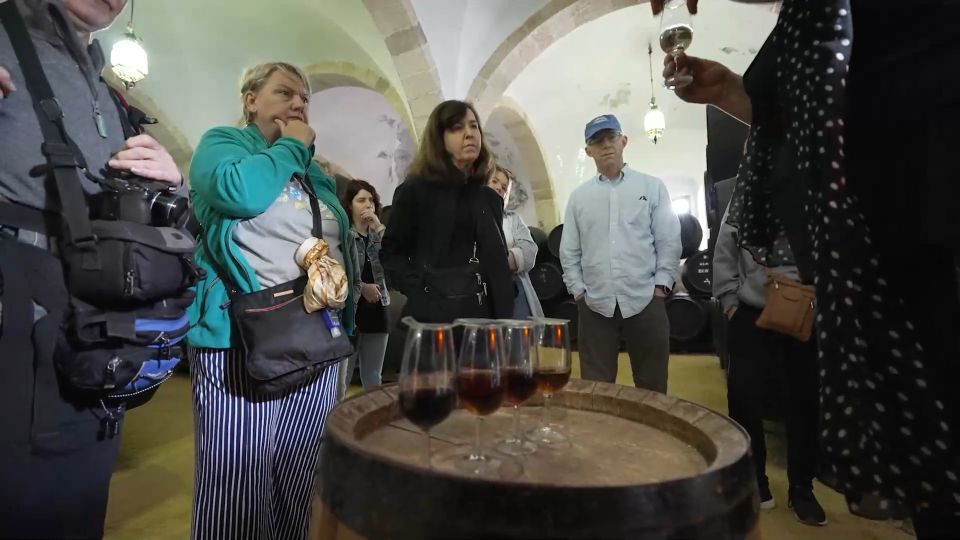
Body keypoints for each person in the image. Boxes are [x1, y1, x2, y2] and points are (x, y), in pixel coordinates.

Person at [659, 0, 960, 535]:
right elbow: (833, 118)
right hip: (888, 282)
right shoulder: (814, 17)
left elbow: (882, 109)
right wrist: (733, 91)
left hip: (924, 259)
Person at [0, 1, 184, 537]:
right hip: (19, 317)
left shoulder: (105, 86)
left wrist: (173, 187)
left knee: (76, 504)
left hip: (93, 326)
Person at [187, 61, 356, 539]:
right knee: (237, 485)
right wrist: (291, 145)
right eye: (284, 93)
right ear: (251, 99)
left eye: (304, 97)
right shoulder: (223, 145)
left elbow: (336, 240)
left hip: (316, 334)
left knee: (303, 479)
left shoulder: (312, 172)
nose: (298, 103)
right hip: (243, 337)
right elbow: (239, 194)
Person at [713, 203, 825, 526]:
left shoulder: (811, 188)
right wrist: (731, 302)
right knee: (745, 397)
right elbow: (725, 248)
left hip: (804, 306)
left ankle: (802, 488)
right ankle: (755, 481)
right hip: (752, 310)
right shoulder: (746, 195)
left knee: (803, 401)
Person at [558, 114, 681, 393]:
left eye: (611, 138)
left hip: (645, 298)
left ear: (623, 141)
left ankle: (652, 436)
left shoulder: (652, 188)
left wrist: (662, 285)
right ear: (588, 151)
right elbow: (569, 250)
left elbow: (668, 239)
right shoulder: (579, 198)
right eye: (597, 141)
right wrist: (578, 291)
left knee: (652, 385)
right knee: (596, 387)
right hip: (595, 304)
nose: (606, 146)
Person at [380, 100, 512, 325]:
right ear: (439, 138)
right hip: (432, 321)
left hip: (484, 322)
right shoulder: (415, 190)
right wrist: (421, 289)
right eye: (457, 128)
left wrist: (505, 325)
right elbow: (392, 254)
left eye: (473, 126)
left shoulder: (489, 198)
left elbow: (497, 268)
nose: (469, 134)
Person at [338, 179, 390, 396]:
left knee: (373, 376)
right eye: (361, 200)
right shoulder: (345, 234)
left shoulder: (378, 235)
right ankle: (335, 423)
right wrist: (363, 287)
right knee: (343, 377)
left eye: (371, 200)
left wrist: (378, 226)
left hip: (378, 309)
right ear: (350, 205)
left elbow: (395, 256)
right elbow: (338, 273)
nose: (367, 205)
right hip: (352, 310)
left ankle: (374, 421)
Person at [486, 164, 544, 319]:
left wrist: (504, 261)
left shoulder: (512, 219)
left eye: (504, 187)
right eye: (494, 181)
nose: (499, 188)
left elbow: (529, 250)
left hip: (514, 288)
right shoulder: (468, 215)